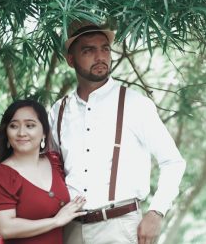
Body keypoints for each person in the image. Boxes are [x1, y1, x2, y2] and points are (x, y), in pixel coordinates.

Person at [48, 21, 186, 244]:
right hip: (70, 229)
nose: (100, 56)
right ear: (71, 60)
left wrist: (156, 212)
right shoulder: (58, 110)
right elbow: (50, 170)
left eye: (105, 49)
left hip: (119, 227)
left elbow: (173, 162)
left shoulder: (135, 104)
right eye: (88, 50)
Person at [0, 100, 87, 244]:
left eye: (30, 125)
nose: (21, 133)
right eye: (14, 126)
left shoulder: (54, 162)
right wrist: (56, 221)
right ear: (7, 132)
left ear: (44, 132)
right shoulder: (1, 174)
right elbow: (6, 228)